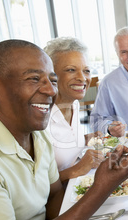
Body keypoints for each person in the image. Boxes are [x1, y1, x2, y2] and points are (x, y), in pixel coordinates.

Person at [0, 39, 128, 220]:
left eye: (52, 80)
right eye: (33, 79)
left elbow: (52, 201)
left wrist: (102, 183)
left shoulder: (35, 132)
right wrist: (100, 189)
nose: (51, 90)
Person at [44, 37, 105, 183]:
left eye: (86, 71)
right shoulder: (40, 118)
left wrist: (85, 139)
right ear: (51, 75)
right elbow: (36, 187)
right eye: (71, 70)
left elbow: (64, 141)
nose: (82, 78)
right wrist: (77, 170)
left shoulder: (74, 104)